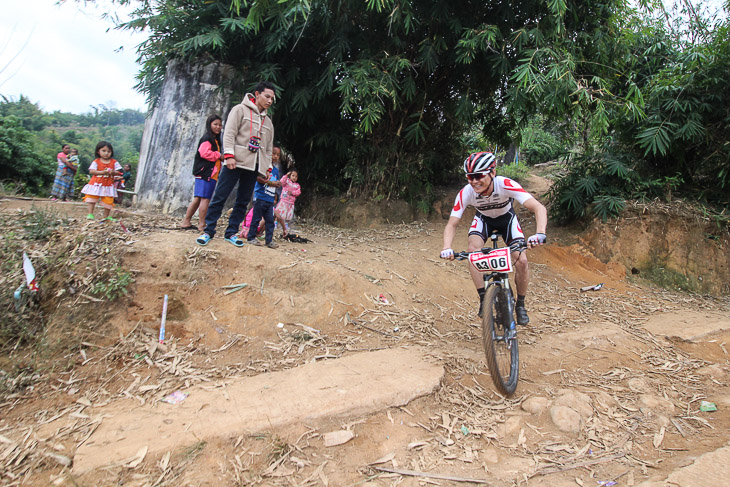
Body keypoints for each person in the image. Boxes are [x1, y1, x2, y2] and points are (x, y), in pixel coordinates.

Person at [440, 151, 547, 325]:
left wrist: (540, 233)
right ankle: (484, 298)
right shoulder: (466, 192)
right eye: (469, 177)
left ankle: (520, 304)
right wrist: (446, 247)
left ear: (492, 173)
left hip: (507, 220)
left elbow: (538, 208)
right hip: (483, 220)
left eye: (478, 175)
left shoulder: (505, 184)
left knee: (522, 261)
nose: (474, 181)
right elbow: (452, 223)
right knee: (473, 252)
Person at [196, 81, 276, 247]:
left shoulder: (268, 122)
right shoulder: (240, 110)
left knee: (243, 200)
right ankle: (208, 231)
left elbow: (268, 148)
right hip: (235, 162)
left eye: (272, 98)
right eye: (267, 96)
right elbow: (230, 134)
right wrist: (229, 155)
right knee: (220, 196)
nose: (269, 101)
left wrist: (267, 167)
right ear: (257, 94)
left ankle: (231, 232)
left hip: (253, 166)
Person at [181, 114, 223, 231]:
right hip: (206, 173)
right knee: (205, 199)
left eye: (220, 125)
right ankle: (202, 224)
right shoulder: (207, 138)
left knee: (198, 198)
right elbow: (204, 153)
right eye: (215, 124)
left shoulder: (215, 140)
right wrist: (219, 155)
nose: (218, 127)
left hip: (208, 174)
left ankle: (186, 221)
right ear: (209, 125)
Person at [81, 141, 123, 221]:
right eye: (104, 151)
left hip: (108, 185)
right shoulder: (96, 161)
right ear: (98, 151)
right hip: (96, 184)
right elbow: (92, 171)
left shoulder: (114, 162)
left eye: (109, 151)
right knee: (91, 198)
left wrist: (113, 172)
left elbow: (119, 172)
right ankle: (90, 214)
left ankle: (106, 216)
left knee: (108, 200)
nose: (106, 153)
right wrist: (103, 172)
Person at [246, 166, 280, 248]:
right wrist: (271, 183)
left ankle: (268, 241)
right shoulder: (263, 166)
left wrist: (278, 184)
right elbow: (257, 177)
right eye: (273, 154)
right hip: (260, 197)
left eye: (278, 155)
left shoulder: (275, 170)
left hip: (270, 199)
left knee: (270, 221)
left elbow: (277, 181)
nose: (275, 156)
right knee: (256, 218)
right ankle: (251, 237)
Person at [274, 169, 301, 237]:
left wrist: (292, 193)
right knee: (279, 213)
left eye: (296, 176)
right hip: (284, 201)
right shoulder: (287, 182)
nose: (294, 177)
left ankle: (285, 225)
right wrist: (286, 175)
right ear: (290, 176)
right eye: (293, 175)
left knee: (288, 215)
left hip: (291, 202)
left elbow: (298, 192)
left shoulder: (297, 185)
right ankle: (275, 223)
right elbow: (281, 182)